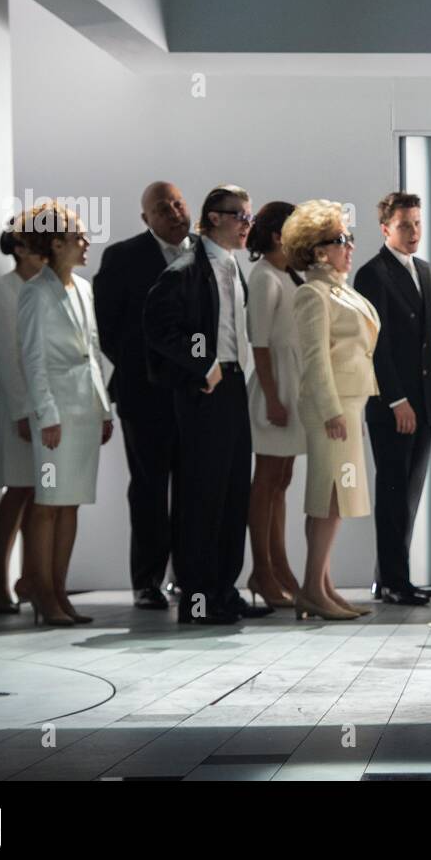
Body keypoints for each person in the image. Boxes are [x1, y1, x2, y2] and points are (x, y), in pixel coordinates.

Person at [144, 184, 272, 625]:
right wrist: (204, 365)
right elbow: (159, 329)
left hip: (234, 386)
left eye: (250, 218)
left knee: (235, 490)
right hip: (207, 390)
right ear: (214, 217)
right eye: (241, 217)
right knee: (202, 495)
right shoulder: (185, 269)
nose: (247, 226)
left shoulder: (233, 267)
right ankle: (198, 599)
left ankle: (223, 590)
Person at [354, 192, 431, 606]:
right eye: (404, 225)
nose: (414, 231)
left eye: (417, 223)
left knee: (410, 492)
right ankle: (392, 580)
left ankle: (396, 577)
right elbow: (375, 347)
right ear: (385, 229)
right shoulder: (371, 274)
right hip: (392, 406)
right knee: (394, 492)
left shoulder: (426, 272)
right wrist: (397, 401)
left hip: (424, 401)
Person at [94, 181, 191, 610]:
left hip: (197, 395)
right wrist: (150, 367)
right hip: (144, 394)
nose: (172, 212)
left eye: (177, 203)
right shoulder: (122, 258)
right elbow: (108, 330)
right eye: (161, 208)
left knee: (194, 489)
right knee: (150, 489)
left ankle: (189, 576)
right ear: (145, 219)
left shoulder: (207, 253)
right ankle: (147, 581)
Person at [16, 202, 114, 625]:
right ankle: (42, 592)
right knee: (47, 503)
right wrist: (47, 415)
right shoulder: (34, 292)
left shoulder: (85, 288)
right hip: (56, 412)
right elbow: (32, 359)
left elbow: (92, 351)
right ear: (55, 244)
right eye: (76, 234)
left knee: (70, 503)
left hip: (85, 408)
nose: (84, 240)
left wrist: (104, 408)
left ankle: (59, 589)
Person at [286, 200, 381, 620]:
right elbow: (314, 359)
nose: (350, 247)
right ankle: (312, 588)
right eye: (341, 240)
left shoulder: (337, 289)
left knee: (335, 496)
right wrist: (330, 411)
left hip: (348, 404)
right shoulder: (312, 293)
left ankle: (321, 584)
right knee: (329, 497)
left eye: (348, 238)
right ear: (318, 249)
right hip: (332, 407)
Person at [244, 201, 308, 609]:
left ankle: (279, 567)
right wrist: (271, 397)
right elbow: (260, 345)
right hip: (274, 391)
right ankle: (262, 571)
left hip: (292, 387)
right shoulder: (264, 276)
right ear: (275, 235)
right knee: (266, 481)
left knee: (281, 480)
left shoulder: (289, 276)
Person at [0, 212, 44, 613]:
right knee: (19, 487)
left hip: (47, 403)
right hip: (18, 402)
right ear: (19, 248)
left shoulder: (44, 287)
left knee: (42, 491)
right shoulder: (4, 291)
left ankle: (32, 577)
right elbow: (7, 355)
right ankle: (0, 578)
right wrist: (22, 409)